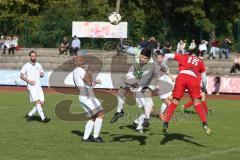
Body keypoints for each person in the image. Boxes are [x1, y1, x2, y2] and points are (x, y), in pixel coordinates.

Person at [162, 50, 212, 135]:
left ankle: (166, 123)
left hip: (182, 77)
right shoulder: (200, 61)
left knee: (175, 101)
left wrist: (163, 66)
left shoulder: (184, 56)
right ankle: (204, 124)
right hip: (193, 79)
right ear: (198, 55)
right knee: (197, 103)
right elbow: (204, 79)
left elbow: (166, 55)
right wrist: (203, 88)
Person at [110, 47, 158, 133]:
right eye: (142, 57)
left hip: (145, 82)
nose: (142, 59)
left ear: (149, 58)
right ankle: (120, 112)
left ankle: (138, 122)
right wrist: (123, 48)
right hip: (137, 77)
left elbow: (140, 79)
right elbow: (130, 49)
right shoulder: (138, 55)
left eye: (145, 58)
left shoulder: (150, 66)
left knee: (151, 110)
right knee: (122, 89)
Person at [73, 56, 104, 143]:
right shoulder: (79, 70)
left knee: (93, 116)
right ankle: (95, 137)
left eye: (82, 59)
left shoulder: (77, 71)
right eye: (79, 60)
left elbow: (88, 84)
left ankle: (85, 138)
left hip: (84, 95)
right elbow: (88, 81)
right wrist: (88, 72)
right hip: (87, 96)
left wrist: (95, 82)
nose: (82, 61)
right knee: (101, 113)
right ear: (75, 62)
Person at [20, 51, 50, 123]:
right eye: (32, 56)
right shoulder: (26, 65)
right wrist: (29, 81)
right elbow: (21, 76)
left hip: (39, 86)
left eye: (35, 56)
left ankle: (29, 114)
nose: (33, 57)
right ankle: (43, 118)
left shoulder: (39, 65)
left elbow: (42, 73)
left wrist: (42, 74)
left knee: (42, 103)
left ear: (36, 56)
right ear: (30, 57)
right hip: (31, 87)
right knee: (38, 102)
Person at [154, 50, 174, 121]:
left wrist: (173, 80)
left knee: (170, 100)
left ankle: (164, 113)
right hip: (160, 86)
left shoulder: (164, 66)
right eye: (158, 57)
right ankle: (162, 114)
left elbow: (169, 74)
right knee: (167, 102)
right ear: (156, 58)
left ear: (162, 58)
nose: (159, 58)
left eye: (160, 57)